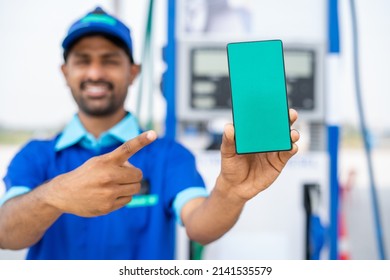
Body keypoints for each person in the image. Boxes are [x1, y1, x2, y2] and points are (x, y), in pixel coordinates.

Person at [0, 7, 300, 260]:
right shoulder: (35, 156)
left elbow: (200, 225)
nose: (95, 73)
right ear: (66, 72)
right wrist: (55, 195)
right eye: (82, 60)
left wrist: (231, 193)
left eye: (110, 60)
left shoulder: (169, 155)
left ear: (133, 71)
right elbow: (6, 234)